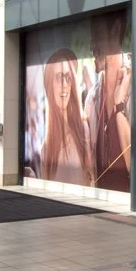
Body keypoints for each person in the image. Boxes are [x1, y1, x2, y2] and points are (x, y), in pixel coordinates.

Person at [84, 11, 132, 192]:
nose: (90, 46)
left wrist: (119, 106)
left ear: (116, 30)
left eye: (96, 35)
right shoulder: (91, 99)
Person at [41, 49, 93, 187]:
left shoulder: (83, 130)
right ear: (49, 84)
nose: (64, 85)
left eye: (68, 77)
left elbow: (92, 181)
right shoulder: (46, 146)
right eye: (58, 77)